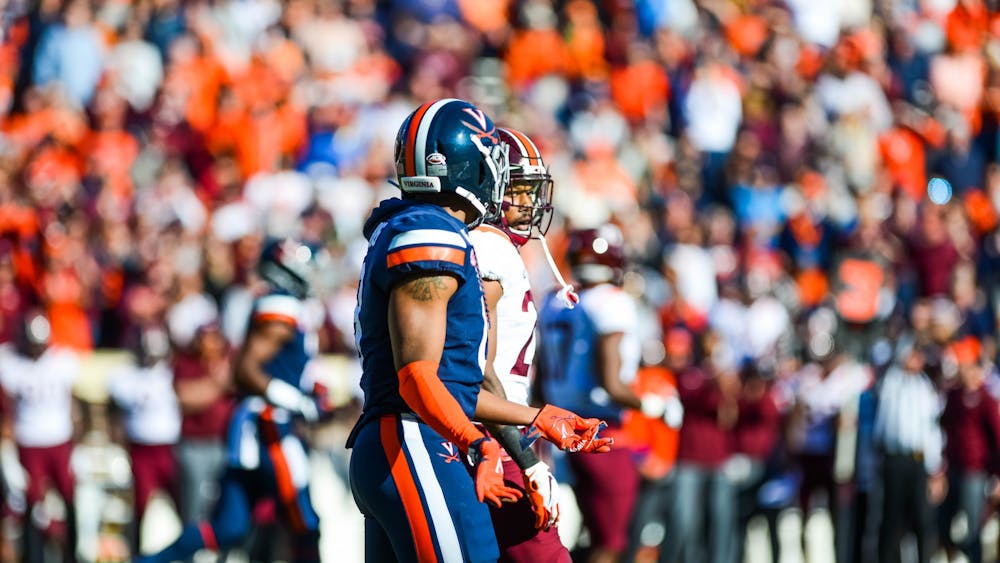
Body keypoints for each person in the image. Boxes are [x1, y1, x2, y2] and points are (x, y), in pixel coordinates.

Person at [348, 98, 610, 563]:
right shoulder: (433, 232)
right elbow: (417, 378)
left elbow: (454, 382)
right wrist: (480, 442)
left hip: (409, 438)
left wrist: (539, 417)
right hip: (416, 440)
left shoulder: (419, 226)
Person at [137, 238, 328, 563]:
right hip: (271, 425)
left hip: (257, 424)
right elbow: (246, 370)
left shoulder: (281, 305)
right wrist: (298, 401)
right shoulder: (281, 307)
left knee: (229, 527)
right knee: (305, 524)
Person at [538, 225, 682, 563]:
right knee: (610, 541)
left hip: (557, 428)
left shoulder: (554, 302)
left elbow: (541, 380)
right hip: (599, 433)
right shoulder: (611, 303)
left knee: (571, 535)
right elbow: (612, 383)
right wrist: (658, 407)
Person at [467, 126, 569, 562]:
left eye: (533, 191)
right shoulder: (487, 247)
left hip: (502, 430)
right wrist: (525, 458)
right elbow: (478, 367)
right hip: (494, 437)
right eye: (519, 190)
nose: (529, 204)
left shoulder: (498, 248)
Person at [0, 311, 80, 563]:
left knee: (69, 499)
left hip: (59, 440)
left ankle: (71, 554)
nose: (35, 349)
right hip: (29, 441)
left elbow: (76, 403)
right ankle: (31, 556)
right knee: (30, 504)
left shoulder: (62, 362)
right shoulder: (11, 362)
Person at [107, 325, 181, 556]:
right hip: (140, 448)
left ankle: (185, 553)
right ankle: (140, 555)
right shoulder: (124, 376)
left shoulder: (174, 374)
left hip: (171, 447)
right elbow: (113, 413)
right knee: (140, 507)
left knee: (183, 505)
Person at [873, 340, 943, 563]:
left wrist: (935, 467)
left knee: (922, 519)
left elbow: (931, 430)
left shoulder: (925, 387)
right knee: (892, 518)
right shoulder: (893, 381)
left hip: (918, 460)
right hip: (895, 459)